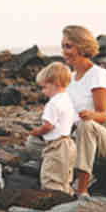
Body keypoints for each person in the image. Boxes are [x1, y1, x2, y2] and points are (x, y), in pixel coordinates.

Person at [61, 25, 106, 197]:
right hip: (79, 137)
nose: (64, 51)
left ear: (82, 47)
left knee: (86, 125)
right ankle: (60, 179)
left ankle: (82, 189)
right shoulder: (69, 80)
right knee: (34, 142)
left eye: (69, 46)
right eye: (63, 46)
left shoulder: (98, 74)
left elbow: (103, 114)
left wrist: (90, 116)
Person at [26, 62, 78, 195]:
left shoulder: (53, 103)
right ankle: (68, 199)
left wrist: (37, 131)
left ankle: (55, 202)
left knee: (50, 179)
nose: (43, 91)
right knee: (64, 179)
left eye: (44, 87)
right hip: (69, 144)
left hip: (56, 146)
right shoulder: (67, 99)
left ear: (56, 83)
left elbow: (48, 126)